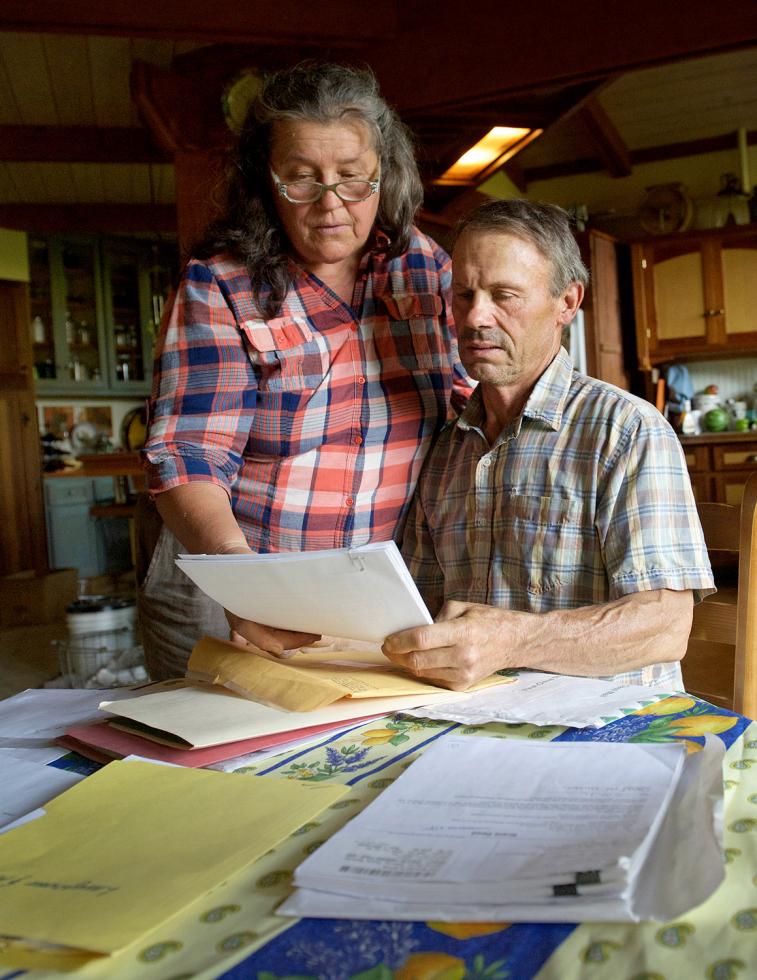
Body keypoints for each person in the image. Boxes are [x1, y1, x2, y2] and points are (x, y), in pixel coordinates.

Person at [139, 62, 470, 680]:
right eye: (301, 179)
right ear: (265, 182)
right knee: (226, 768)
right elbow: (190, 450)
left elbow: (470, 409)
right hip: (232, 580)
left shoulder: (426, 270)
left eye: (352, 179)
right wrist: (246, 586)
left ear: (384, 174)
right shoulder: (222, 281)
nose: (330, 204)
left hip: (372, 593)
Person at [382, 199, 714, 691]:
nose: (476, 317)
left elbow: (665, 628)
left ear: (567, 303)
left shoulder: (627, 431)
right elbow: (420, 614)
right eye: (465, 294)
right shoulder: (445, 451)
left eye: (504, 295)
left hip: (609, 728)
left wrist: (514, 641)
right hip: (469, 723)